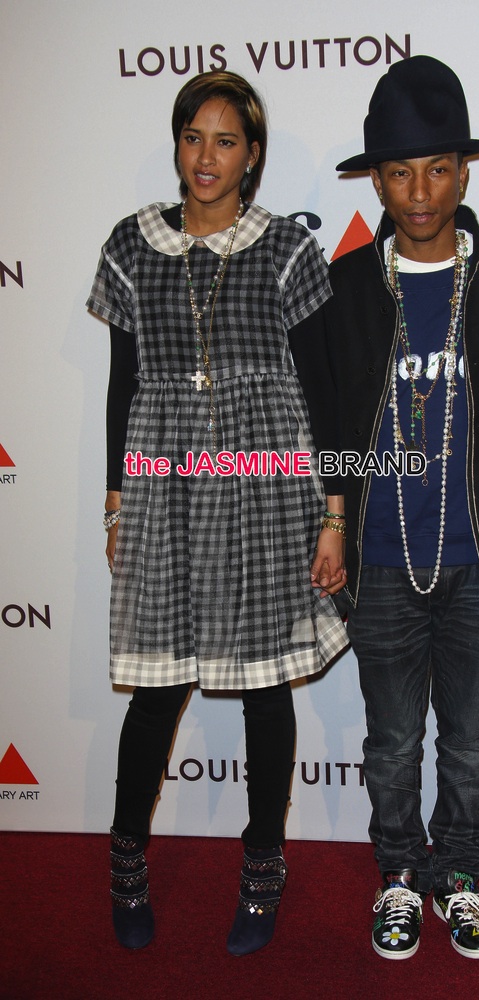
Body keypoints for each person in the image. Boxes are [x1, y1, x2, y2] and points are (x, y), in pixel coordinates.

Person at [294, 56, 479, 960]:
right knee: (389, 744)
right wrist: (332, 520)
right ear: (377, 178)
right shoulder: (339, 292)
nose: (421, 191)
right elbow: (321, 420)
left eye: (439, 168)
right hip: (379, 559)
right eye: (401, 171)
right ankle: (399, 879)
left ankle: (457, 877)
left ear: (464, 171)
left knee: (467, 741)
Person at [87, 70, 349, 956]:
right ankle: (126, 867)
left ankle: (263, 872)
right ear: (177, 144)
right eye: (194, 137)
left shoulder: (286, 251)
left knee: (265, 691)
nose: (207, 156)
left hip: (269, 481)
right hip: (165, 482)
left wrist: (333, 512)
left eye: (226, 140)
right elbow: (125, 383)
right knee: (157, 689)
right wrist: (118, 500)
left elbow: (322, 387)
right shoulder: (130, 245)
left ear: (253, 155)